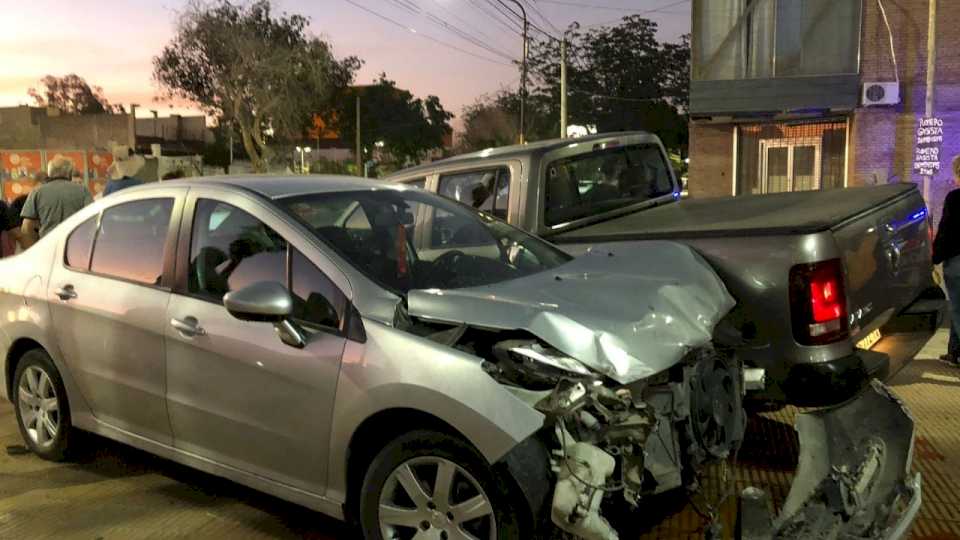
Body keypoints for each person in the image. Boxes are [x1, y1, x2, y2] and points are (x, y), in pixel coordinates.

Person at [19, 156, 93, 248]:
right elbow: (92, 221)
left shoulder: (37, 192)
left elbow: (26, 227)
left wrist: (33, 250)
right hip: (76, 248)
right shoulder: (83, 191)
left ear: (49, 173)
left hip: (48, 247)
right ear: (69, 173)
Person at [933, 154, 960, 365]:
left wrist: (934, 258)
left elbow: (946, 232)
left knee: (958, 309)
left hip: (957, 262)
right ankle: (954, 352)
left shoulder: (955, 198)